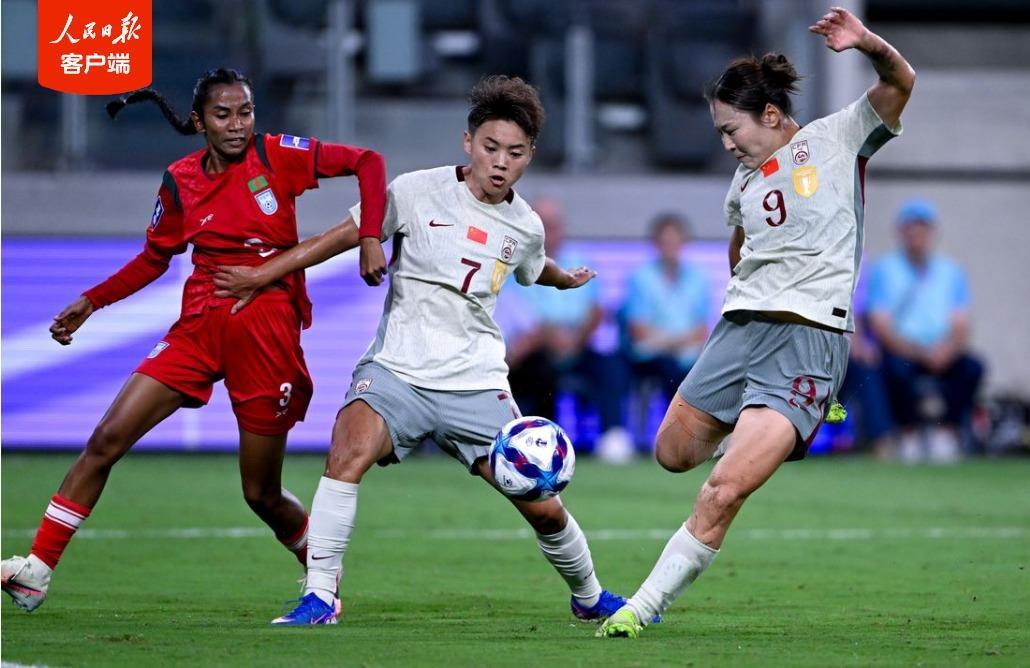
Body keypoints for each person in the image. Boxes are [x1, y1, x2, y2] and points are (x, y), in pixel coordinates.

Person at [213, 75, 631, 626]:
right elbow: (338, 238)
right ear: (468, 142)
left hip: (475, 382)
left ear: (529, 156)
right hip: (397, 370)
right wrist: (261, 275)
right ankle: (320, 596)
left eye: (515, 153)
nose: (500, 162)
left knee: (545, 508)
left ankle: (589, 594)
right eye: (490, 147)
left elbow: (535, 267)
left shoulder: (525, 225)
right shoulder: (414, 191)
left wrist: (564, 279)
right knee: (346, 455)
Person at [0, 68, 387, 613]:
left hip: (266, 330)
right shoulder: (180, 180)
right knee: (106, 438)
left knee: (260, 493)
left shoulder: (277, 155)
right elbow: (154, 259)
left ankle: (320, 573)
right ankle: (36, 572)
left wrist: (369, 236)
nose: (237, 125)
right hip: (199, 328)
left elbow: (368, 162)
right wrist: (92, 301)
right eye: (223, 115)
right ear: (200, 122)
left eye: (245, 112)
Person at [598, 7, 914, 638]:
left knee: (721, 490)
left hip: (808, 339)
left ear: (770, 115)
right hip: (738, 332)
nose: (726, 144)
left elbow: (901, 81)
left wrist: (866, 42)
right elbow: (741, 245)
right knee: (671, 453)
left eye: (730, 129)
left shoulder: (838, 136)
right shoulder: (743, 181)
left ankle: (641, 606)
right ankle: (770, 424)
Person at [504, 196, 633, 459]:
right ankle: (542, 444)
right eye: (543, 226)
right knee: (539, 371)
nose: (548, 233)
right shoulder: (515, 264)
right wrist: (550, 336)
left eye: (553, 226)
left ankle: (613, 436)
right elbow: (519, 317)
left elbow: (595, 310)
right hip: (537, 350)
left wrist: (575, 340)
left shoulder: (581, 259)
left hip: (577, 344)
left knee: (610, 366)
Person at [865, 199, 984, 462]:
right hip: (905, 351)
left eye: (921, 229)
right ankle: (907, 432)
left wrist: (947, 350)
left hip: (943, 351)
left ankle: (948, 431)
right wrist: (919, 352)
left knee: (972, 368)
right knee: (894, 370)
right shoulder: (885, 269)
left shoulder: (951, 271)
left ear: (931, 233)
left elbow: (961, 322)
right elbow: (880, 323)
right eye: (910, 229)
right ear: (901, 232)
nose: (916, 235)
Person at [622, 212, 711, 398]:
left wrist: (670, 342)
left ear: (683, 242)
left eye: (674, 240)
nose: (670, 246)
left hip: (688, 356)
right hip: (652, 356)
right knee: (671, 369)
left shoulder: (698, 278)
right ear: (655, 243)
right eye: (665, 241)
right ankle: (678, 414)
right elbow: (639, 331)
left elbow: (702, 331)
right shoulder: (640, 277)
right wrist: (677, 342)